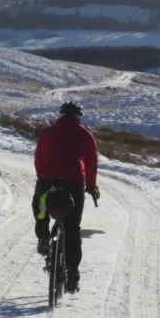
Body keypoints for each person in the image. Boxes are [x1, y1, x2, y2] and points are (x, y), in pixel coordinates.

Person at [32, 101, 100, 293]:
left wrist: (43, 178)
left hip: (48, 181)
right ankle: (72, 276)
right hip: (74, 183)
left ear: (61, 115)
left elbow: (39, 158)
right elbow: (91, 163)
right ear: (78, 116)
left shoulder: (49, 132)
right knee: (72, 229)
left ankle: (44, 236)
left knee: (40, 207)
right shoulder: (85, 135)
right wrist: (91, 186)